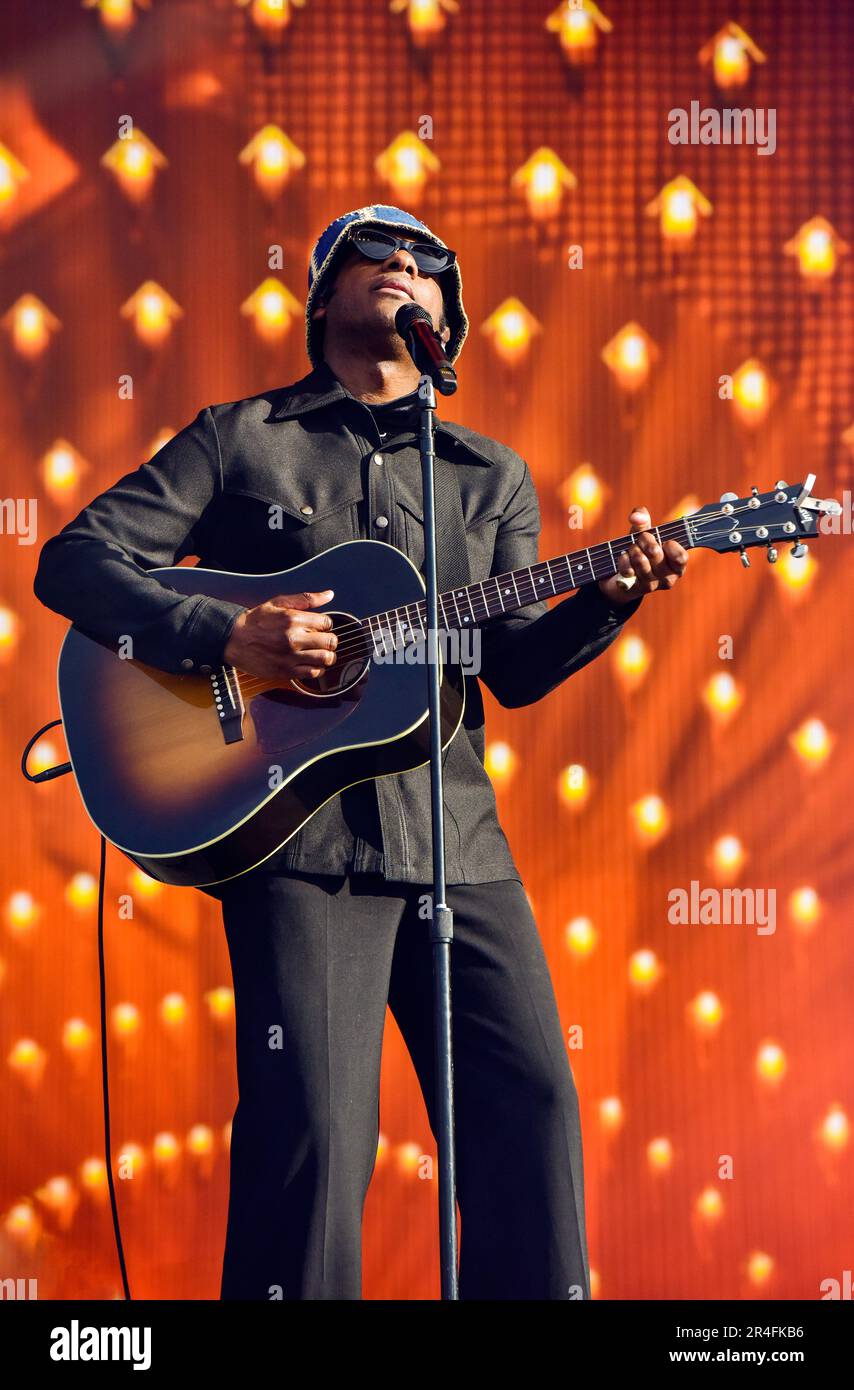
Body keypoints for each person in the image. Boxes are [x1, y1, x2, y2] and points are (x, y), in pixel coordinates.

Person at [33, 204, 688, 1300]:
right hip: (299, 843)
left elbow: (511, 669)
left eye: (429, 268)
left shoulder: (489, 475)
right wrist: (224, 634)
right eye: (377, 260)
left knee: (530, 1110)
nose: (405, 271)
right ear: (324, 298)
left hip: (456, 841)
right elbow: (74, 561)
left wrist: (610, 593)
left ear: (448, 320)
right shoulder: (242, 437)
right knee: (318, 1134)